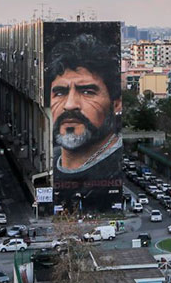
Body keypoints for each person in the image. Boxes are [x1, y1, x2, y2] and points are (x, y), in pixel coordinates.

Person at [48, 33, 123, 212]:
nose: (70, 105)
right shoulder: (49, 162)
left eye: (87, 92)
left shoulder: (118, 167)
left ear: (116, 104)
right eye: (60, 92)